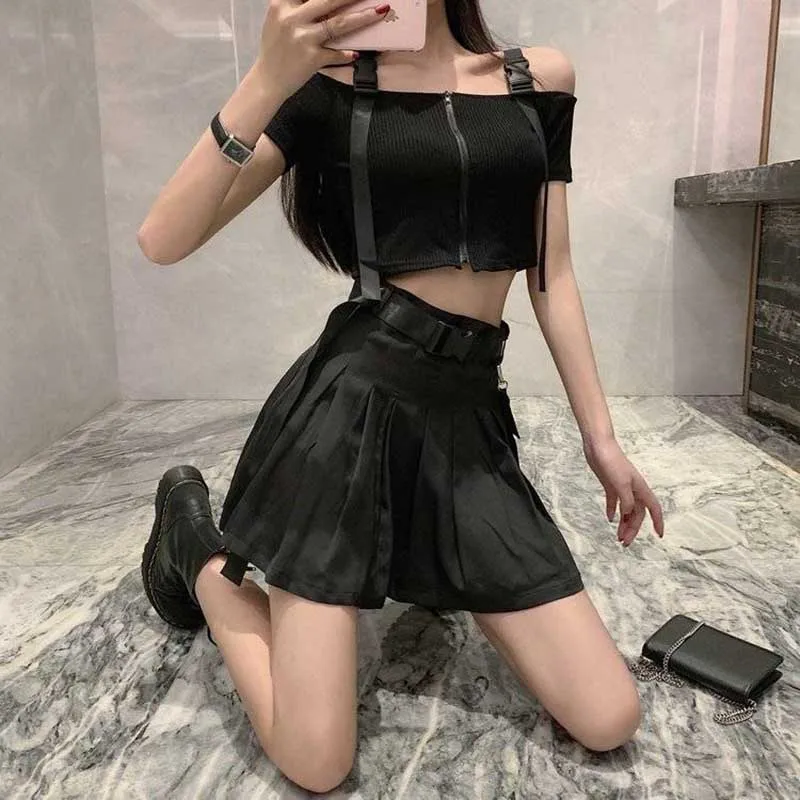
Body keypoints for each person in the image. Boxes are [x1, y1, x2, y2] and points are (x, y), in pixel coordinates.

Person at [137, 0, 665, 793]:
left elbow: (552, 274)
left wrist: (603, 440)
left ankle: (429, 554)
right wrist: (267, 78)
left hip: (467, 423)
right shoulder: (327, 87)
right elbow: (162, 239)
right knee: (317, 761)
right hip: (352, 412)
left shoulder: (539, 80)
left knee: (609, 715)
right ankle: (197, 551)